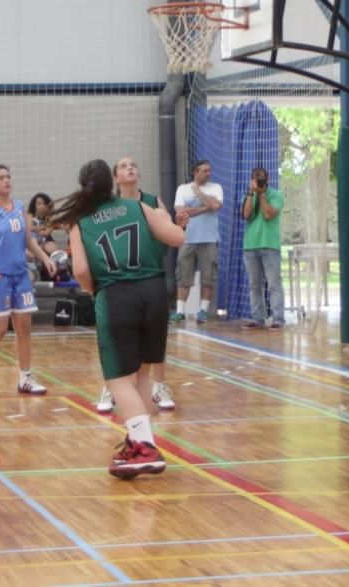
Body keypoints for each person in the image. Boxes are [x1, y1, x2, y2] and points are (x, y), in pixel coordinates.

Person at [50, 159, 186, 478]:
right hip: (153, 293)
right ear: (111, 184)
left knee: (117, 380)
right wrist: (171, 220)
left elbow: (81, 271)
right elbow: (176, 238)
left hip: (116, 296)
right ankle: (136, 440)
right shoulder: (136, 206)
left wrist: (92, 290)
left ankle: (145, 448)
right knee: (141, 376)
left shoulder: (80, 222)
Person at [0, 165, 56, 396]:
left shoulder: (19, 207)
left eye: (8, 176)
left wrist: (45, 257)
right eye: (0, 177)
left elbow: (28, 240)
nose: (6, 180)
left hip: (20, 274)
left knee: (24, 326)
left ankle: (25, 376)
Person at [95, 157, 175, 413]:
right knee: (116, 341)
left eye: (133, 165)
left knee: (155, 340)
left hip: (150, 278)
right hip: (117, 282)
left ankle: (159, 386)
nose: (130, 168)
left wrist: (180, 225)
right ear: (115, 178)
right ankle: (113, 386)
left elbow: (170, 234)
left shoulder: (153, 202)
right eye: (123, 166)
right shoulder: (106, 208)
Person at [171, 160, 223, 324]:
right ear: (196, 172)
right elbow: (180, 211)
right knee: (183, 276)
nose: (208, 173)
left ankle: (203, 311)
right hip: (187, 239)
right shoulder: (182, 189)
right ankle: (180, 311)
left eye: (209, 171)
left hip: (209, 239)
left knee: (208, 277)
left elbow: (216, 205)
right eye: (205, 171)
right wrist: (205, 207)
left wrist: (198, 192)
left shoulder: (216, 188)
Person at [241, 167, 285, 329]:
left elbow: (268, 214)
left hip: (269, 245)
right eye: (255, 178)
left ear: (268, 179)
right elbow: (246, 215)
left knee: (274, 284)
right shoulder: (249, 195)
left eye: (261, 178)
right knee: (254, 285)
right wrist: (252, 193)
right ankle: (258, 318)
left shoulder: (276, 195)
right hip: (251, 245)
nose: (258, 181)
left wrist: (262, 195)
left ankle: (278, 318)